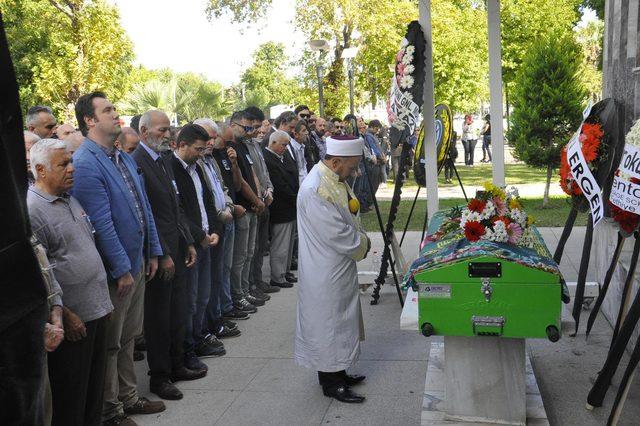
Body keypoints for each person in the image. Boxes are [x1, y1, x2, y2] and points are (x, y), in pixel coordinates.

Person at [70, 91, 165, 426]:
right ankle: (110, 410)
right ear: (89, 120)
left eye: (114, 108)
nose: (115, 113)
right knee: (111, 343)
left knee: (128, 337)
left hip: (137, 261)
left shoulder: (122, 157)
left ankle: (129, 397)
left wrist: (152, 250)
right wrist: (122, 268)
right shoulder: (85, 162)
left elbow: (143, 208)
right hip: (117, 271)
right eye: (107, 110)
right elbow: (102, 222)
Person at [28, 138, 114, 426]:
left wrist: (103, 301)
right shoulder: (33, 210)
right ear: (40, 170)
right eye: (63, 164)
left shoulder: (70, 198)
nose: (72, 169)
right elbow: (43, 275)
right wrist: (66, 314)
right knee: (72, 399)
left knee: (93, 393)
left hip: (96, 310)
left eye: (71, 162)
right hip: (73, 320)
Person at [132, 110, 204, 401]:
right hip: (160, 253)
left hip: (176, 246)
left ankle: (177, 364)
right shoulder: (138, 162)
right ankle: (159, 376)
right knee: (159, 318)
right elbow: (147, 215)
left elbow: (175, 207)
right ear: (144, 130)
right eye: (162, 130)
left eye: (168, 129)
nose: (167, 134)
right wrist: (161, 253)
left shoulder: (162, 161)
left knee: (178, 311)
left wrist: (187, 242)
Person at [294, 135, 371, 404]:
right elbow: (337, 233)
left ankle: (340, 371)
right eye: (352, 167)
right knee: (328, 325)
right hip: (324, 269)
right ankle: (331, 383)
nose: (356, 172)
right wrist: (364, 243)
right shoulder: (316, 188)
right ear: (336, 162)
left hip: (338, 265)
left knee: (341, 322)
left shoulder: (334, 178)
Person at [169, 124, 225, 370]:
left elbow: (208, 202)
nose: (201, 153)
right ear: (182, 145)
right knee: (190, 300)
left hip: (206, 240)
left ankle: (200, 336)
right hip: (189, 245)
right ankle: (187, 348)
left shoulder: (197, 167)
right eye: (197, 149)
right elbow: (178, 211)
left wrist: (214, 230)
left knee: (203, 296)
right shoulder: (170, 168)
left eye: (204, 149)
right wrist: (198, 235)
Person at [191, 118, 244, 339]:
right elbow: (205, 199)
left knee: (221, 272)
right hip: (212, 225)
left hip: (224, 220)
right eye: (206, 138)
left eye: (213, 138)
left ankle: (217, 318)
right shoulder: (196, 163)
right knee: (208, 281)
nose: (210, 142)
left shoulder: (210, 160)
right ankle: (208, 325)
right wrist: (221, 214)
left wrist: (229, 207)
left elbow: (222, 187)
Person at [209, 123, 252, 321]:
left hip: (230, 213)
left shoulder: (223, 156)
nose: (228, 146)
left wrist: (234, 163)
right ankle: (223, 307)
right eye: (225, 142)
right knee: (220, 268)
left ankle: (227, 304)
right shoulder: (209, 158)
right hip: (220, 218)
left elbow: (234, 184)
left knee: (228, 265)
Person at [228, 111, 267, 312]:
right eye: (246, 127)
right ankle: (238, 294)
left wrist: (259, 198)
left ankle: (245, 290)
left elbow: (252, 174)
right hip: (243, 207)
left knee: (249, 252)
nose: (249, 131)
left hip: (253, 206)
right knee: (240, 255)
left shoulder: (243, 146)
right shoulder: (230, 147)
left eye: (251, 128)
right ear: (233, 124)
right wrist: (255, 199)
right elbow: (240, 181)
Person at [241, 107, 280, 297]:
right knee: (251, 248)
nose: (258, 131)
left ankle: (257, 281)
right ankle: (250, 285)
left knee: (260, 245)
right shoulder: (243, 146)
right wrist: (258, 198)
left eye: (259, 127)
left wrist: (269, 190)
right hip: (254, 202)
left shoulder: (256, 144)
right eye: (254, 127)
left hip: (266, 199)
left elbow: (264, 171)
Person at [263, 130, 298, 288]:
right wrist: (294, 197)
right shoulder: (268, 158)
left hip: (289, 207)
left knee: (289, 243)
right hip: (281, 208)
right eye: (283, 145)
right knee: (280, 244)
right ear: (273, 143)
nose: (285, 148)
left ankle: (285, 271)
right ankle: (278, 276)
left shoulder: (282, 156)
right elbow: (279, 184)